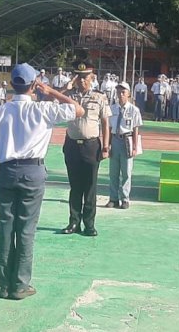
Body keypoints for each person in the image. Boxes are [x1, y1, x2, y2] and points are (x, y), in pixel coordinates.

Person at [0, 63, 82, 300]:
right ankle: (20, 285)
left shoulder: (0, 111)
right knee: (26, 230)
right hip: (33, 171)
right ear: (34, 85)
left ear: (11, 85)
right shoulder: (44, 109)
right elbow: (77, 110)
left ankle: (5, 284)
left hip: (6, 171)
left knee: (5, 230)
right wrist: (51, 91)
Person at [60, 61, 111, 237]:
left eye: (85, 77)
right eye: (79, 77)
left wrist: (105, 146)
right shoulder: (69, 96)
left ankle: (89, 224)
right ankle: (74, 222)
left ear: (92, 78)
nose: (82, 81)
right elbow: (52, 99)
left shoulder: (99, 97)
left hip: (91, 146)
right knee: (75, 186)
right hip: (72, 145)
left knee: (90, 187)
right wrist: (66, 87)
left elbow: (105, 123)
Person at [106, 82, 142, 209]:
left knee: (126, 172)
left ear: (128, 94)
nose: (120, 95)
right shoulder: (112, 108)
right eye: (118, 92)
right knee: (113, 172)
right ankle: (113, 198)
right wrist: (107, 144)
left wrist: (134, 147)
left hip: (127, 140)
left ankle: (125, 198)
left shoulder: (134, 110)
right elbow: (109, 127)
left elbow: (136, 129)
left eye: (123, 92)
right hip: (115, 140)